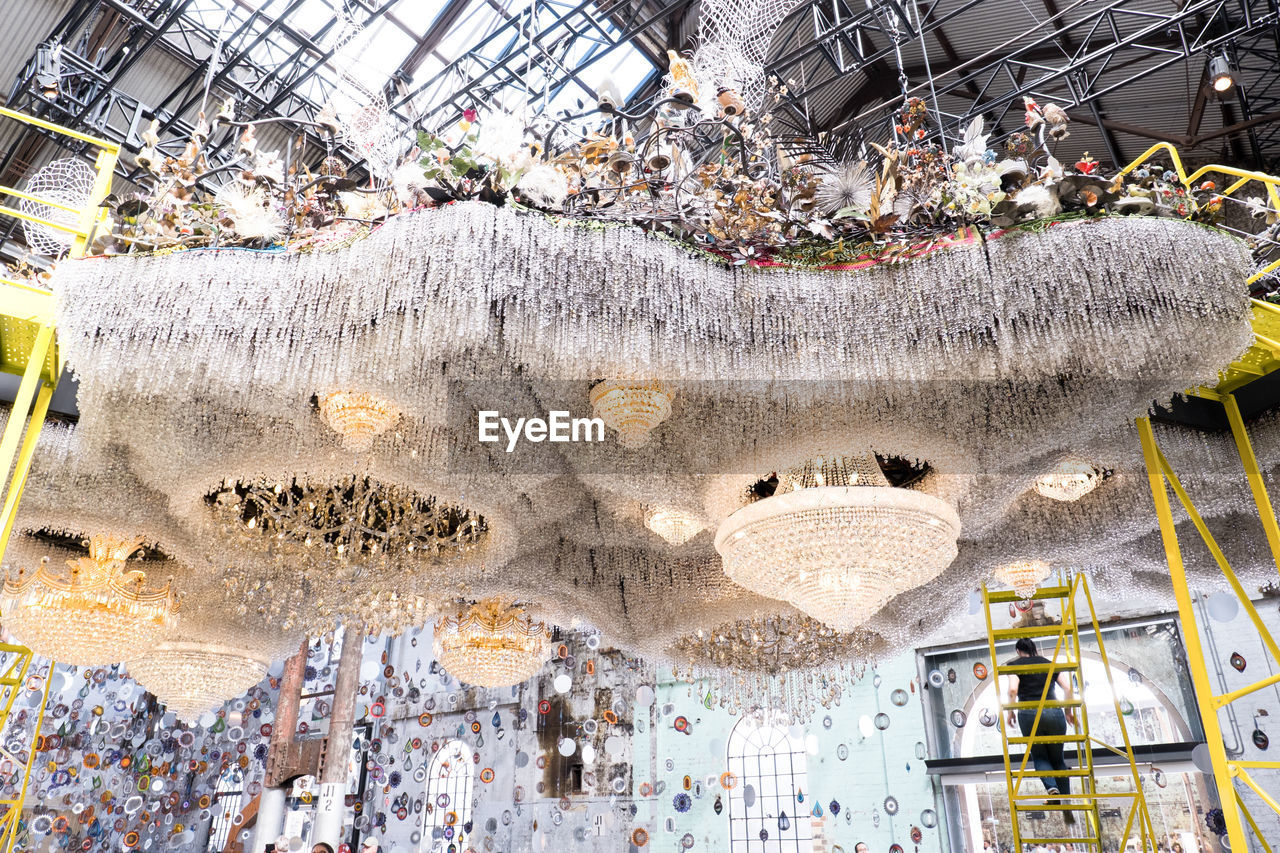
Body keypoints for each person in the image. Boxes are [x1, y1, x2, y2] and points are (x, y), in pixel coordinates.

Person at [1006, 636, 1077, 821]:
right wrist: (1068, 712)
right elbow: (1068, 689)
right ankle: (1066, 802)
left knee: (1039, 755)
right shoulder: (1049, 663)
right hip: (1054, 713)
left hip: (1029, 714)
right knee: (1058, 759)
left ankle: (1051, 788)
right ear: (1034, 649)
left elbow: (1013, 690)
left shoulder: (1014, 665)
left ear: (1018, 651)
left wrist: (1010, 712)